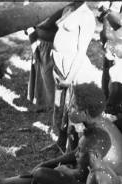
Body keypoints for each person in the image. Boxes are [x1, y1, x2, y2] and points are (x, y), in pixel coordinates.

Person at [0, 82, 122, 184]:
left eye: (73, 107)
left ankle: (1, 183)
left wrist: (64, 171)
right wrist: (50, 163)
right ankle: (1, 183)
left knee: (40, 176)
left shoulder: (95, 137)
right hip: (111, 180)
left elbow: (82, 175)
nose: (69, 110)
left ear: (85, 112)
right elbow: (79, 152)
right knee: (44, 173)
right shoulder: (99, 122)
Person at [49, 2, 101, 152]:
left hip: (75, 70)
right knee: (61, 107)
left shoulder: (87, 17)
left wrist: (69, 79)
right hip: (61, 65)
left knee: (72, 109)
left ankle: (72, 151)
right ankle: (60, 141)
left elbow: (80, 52)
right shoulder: (68, 8)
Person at [25, 11, 60, 111]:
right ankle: (43, 103)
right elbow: (29, 27)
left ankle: (56, 105)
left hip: (58, 46)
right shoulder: (35, 6)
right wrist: (34, 48)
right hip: (41, 45)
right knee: (43, 75)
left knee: (54, 79)